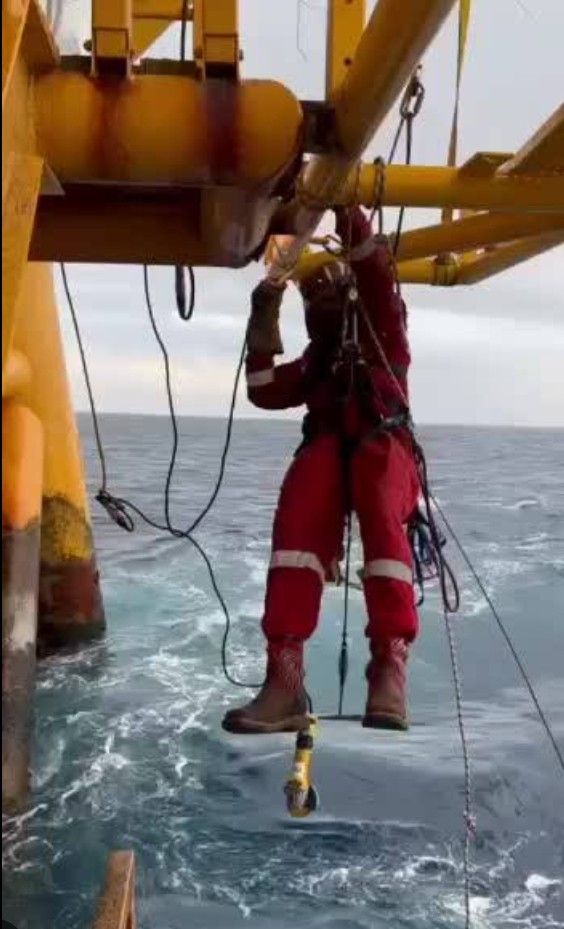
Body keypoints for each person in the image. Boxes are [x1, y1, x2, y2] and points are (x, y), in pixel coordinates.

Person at [222, 206, 420, 735]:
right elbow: (264, 390)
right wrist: (263, 319)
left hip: (386, 451)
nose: (318, 299)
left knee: (379, 497)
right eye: (309, 294)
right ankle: (284, 679)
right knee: (303, 501)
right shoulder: (316, 361)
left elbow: (376, 273)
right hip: (334, 452)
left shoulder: (385, 330)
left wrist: (343, 205)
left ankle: (388, 664)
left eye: (327, 286)